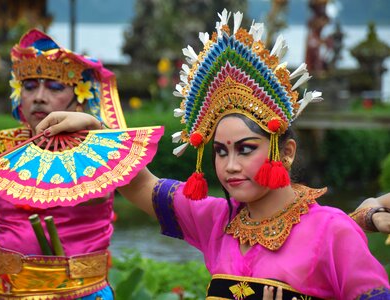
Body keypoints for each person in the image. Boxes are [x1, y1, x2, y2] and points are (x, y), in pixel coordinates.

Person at [36, 10, 390, 299]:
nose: (230, 166)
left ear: (287, 152)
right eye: (220, 152)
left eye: (246, 149)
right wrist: (95, 130)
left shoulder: (332, 231)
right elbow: (138, 182)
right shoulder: (216, 221)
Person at [0, 29, 127, 299]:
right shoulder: (1, 146)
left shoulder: (100, 146)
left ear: (79, 98)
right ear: (19, 95)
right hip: (10, 293)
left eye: (54, 87)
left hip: (83, 293)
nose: (39, 97)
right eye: (29, 86)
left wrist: (94, 130)